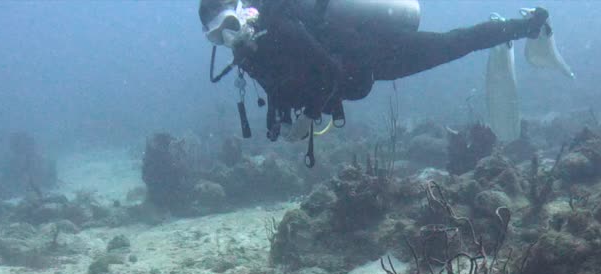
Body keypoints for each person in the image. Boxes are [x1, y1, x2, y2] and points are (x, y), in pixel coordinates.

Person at [200, 0, 551, 164]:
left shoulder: (280, 26)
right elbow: (284, 86)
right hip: (358, 73)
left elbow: (328, 71)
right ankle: (515, 27)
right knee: (451, 44)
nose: (229, 39)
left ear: (244, 10)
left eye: (230, 26)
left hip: (376, 51)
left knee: (451, 44)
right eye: (218, 37)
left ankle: (525, 25)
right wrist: (283, 119)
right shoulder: (249, 54)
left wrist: (309, 116)